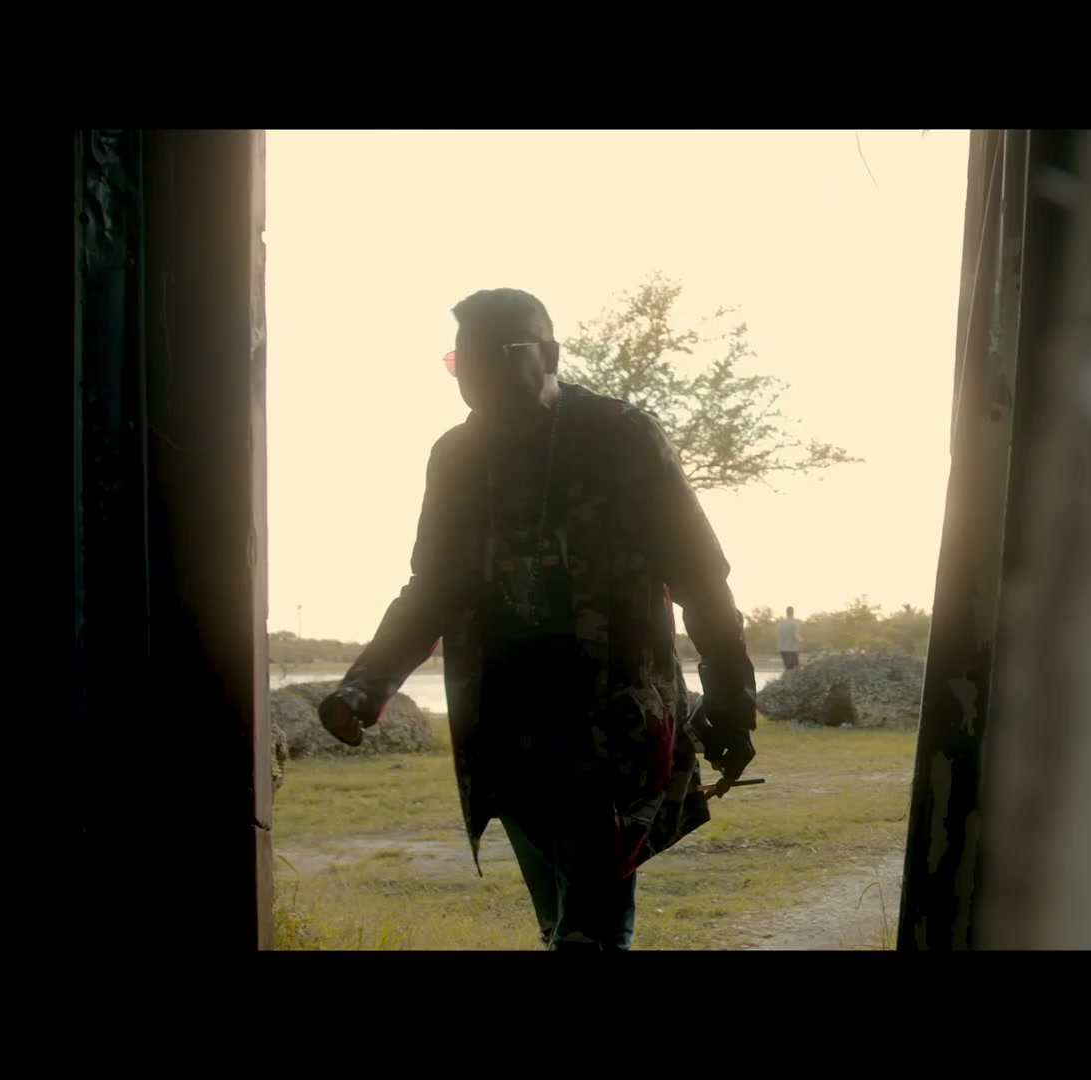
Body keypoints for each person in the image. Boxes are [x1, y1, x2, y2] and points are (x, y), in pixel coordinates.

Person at [317, 288, 759, 951]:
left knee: (589, 922)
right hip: (503, 726)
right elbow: (430, 590)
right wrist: (364, 686)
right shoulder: (456, 458)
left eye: (492, 354)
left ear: (549, 355)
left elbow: (700, 574)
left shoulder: (620, 436)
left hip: (608, 726)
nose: (471, 374)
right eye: (459, 360)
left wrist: (730, 697)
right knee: (560, 917)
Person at [775, 606, 804, 671]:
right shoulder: (794, 623)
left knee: (788, 669)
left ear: (786, 612)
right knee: (795, 670)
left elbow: (779, 636)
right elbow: (796, 635)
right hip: (792, 650)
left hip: (782, 650)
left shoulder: (780, 623)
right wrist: (802, 640)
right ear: (793, 612)